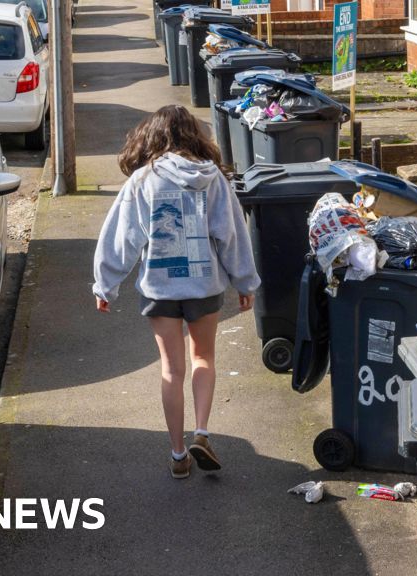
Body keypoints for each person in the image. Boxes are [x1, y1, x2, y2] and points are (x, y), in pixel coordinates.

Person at [92, 105, 260, 479]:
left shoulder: (142, 180)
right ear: (194, 136)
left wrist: (106, 284)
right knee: (203, 359)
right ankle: (201, 431)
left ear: (151, 137)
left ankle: (178, 453)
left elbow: (122, 237)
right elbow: (230, 233)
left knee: (171, 370)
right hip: (204, 286)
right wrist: (245, 282)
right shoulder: (213, 177)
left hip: (160, 288)